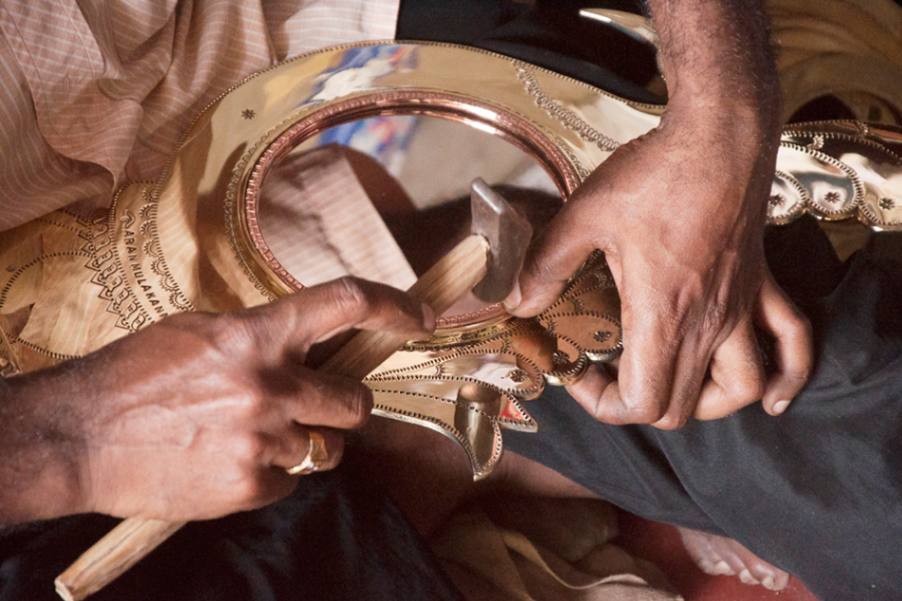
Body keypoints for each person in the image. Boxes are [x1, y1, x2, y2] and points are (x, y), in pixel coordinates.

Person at [0, 2, 898, 601]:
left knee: (873, 492)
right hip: (93, 378)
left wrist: (721, 114)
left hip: (386, 66)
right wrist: (68, 440)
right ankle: (447, 462)